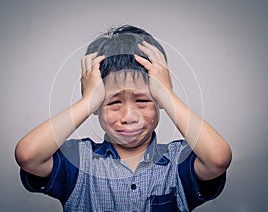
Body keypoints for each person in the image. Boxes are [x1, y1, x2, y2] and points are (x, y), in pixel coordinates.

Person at [15, 25, 232, 211]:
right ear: (97, 105)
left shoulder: (178, 161)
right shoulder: (78, 160)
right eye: (114, 102)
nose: (129, 117)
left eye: (142, 101)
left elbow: (218, 159)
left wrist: (167, 93)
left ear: (160, 101)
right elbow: (28, 156)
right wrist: (87, 100)